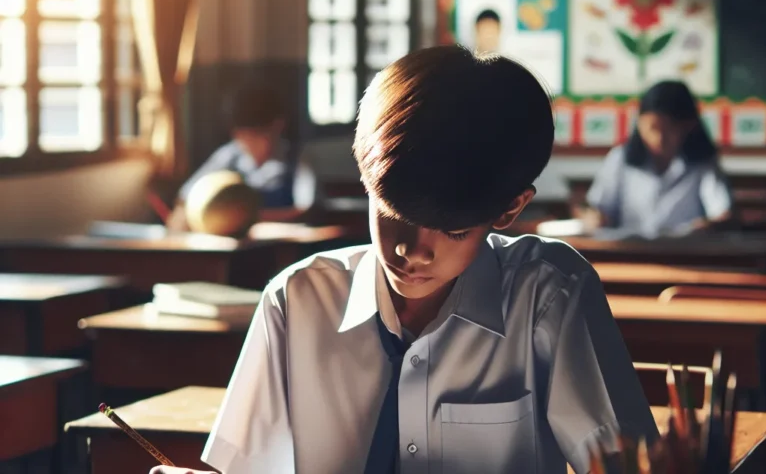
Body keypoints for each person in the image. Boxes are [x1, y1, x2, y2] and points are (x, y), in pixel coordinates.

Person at [151, 46, 657, 474]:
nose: (411, 250)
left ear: (510, 208)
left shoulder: (548, 296)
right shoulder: (297, 301)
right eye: (392, 213)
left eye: (453, 229)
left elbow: (631, 467)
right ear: (366, 178)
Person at [583, 80, 733, 238]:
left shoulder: (703, 161)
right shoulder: (620, 158)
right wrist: (595, 217)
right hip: (627, 248)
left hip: (684, 250)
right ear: (639, 124)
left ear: (689, 126)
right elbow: (597, 207)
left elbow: (722, 212)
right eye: (652, 128)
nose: (659, 139)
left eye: (669, 129)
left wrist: (709, 226)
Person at [166, 83, 319, 231]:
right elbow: (186, 195)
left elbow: (306, 209)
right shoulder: (230, 155)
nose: (249, 144)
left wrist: (243, 219)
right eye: (243, 137)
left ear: (277, 126)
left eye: (257, 135)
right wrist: (185, 215)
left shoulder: (296, 158)